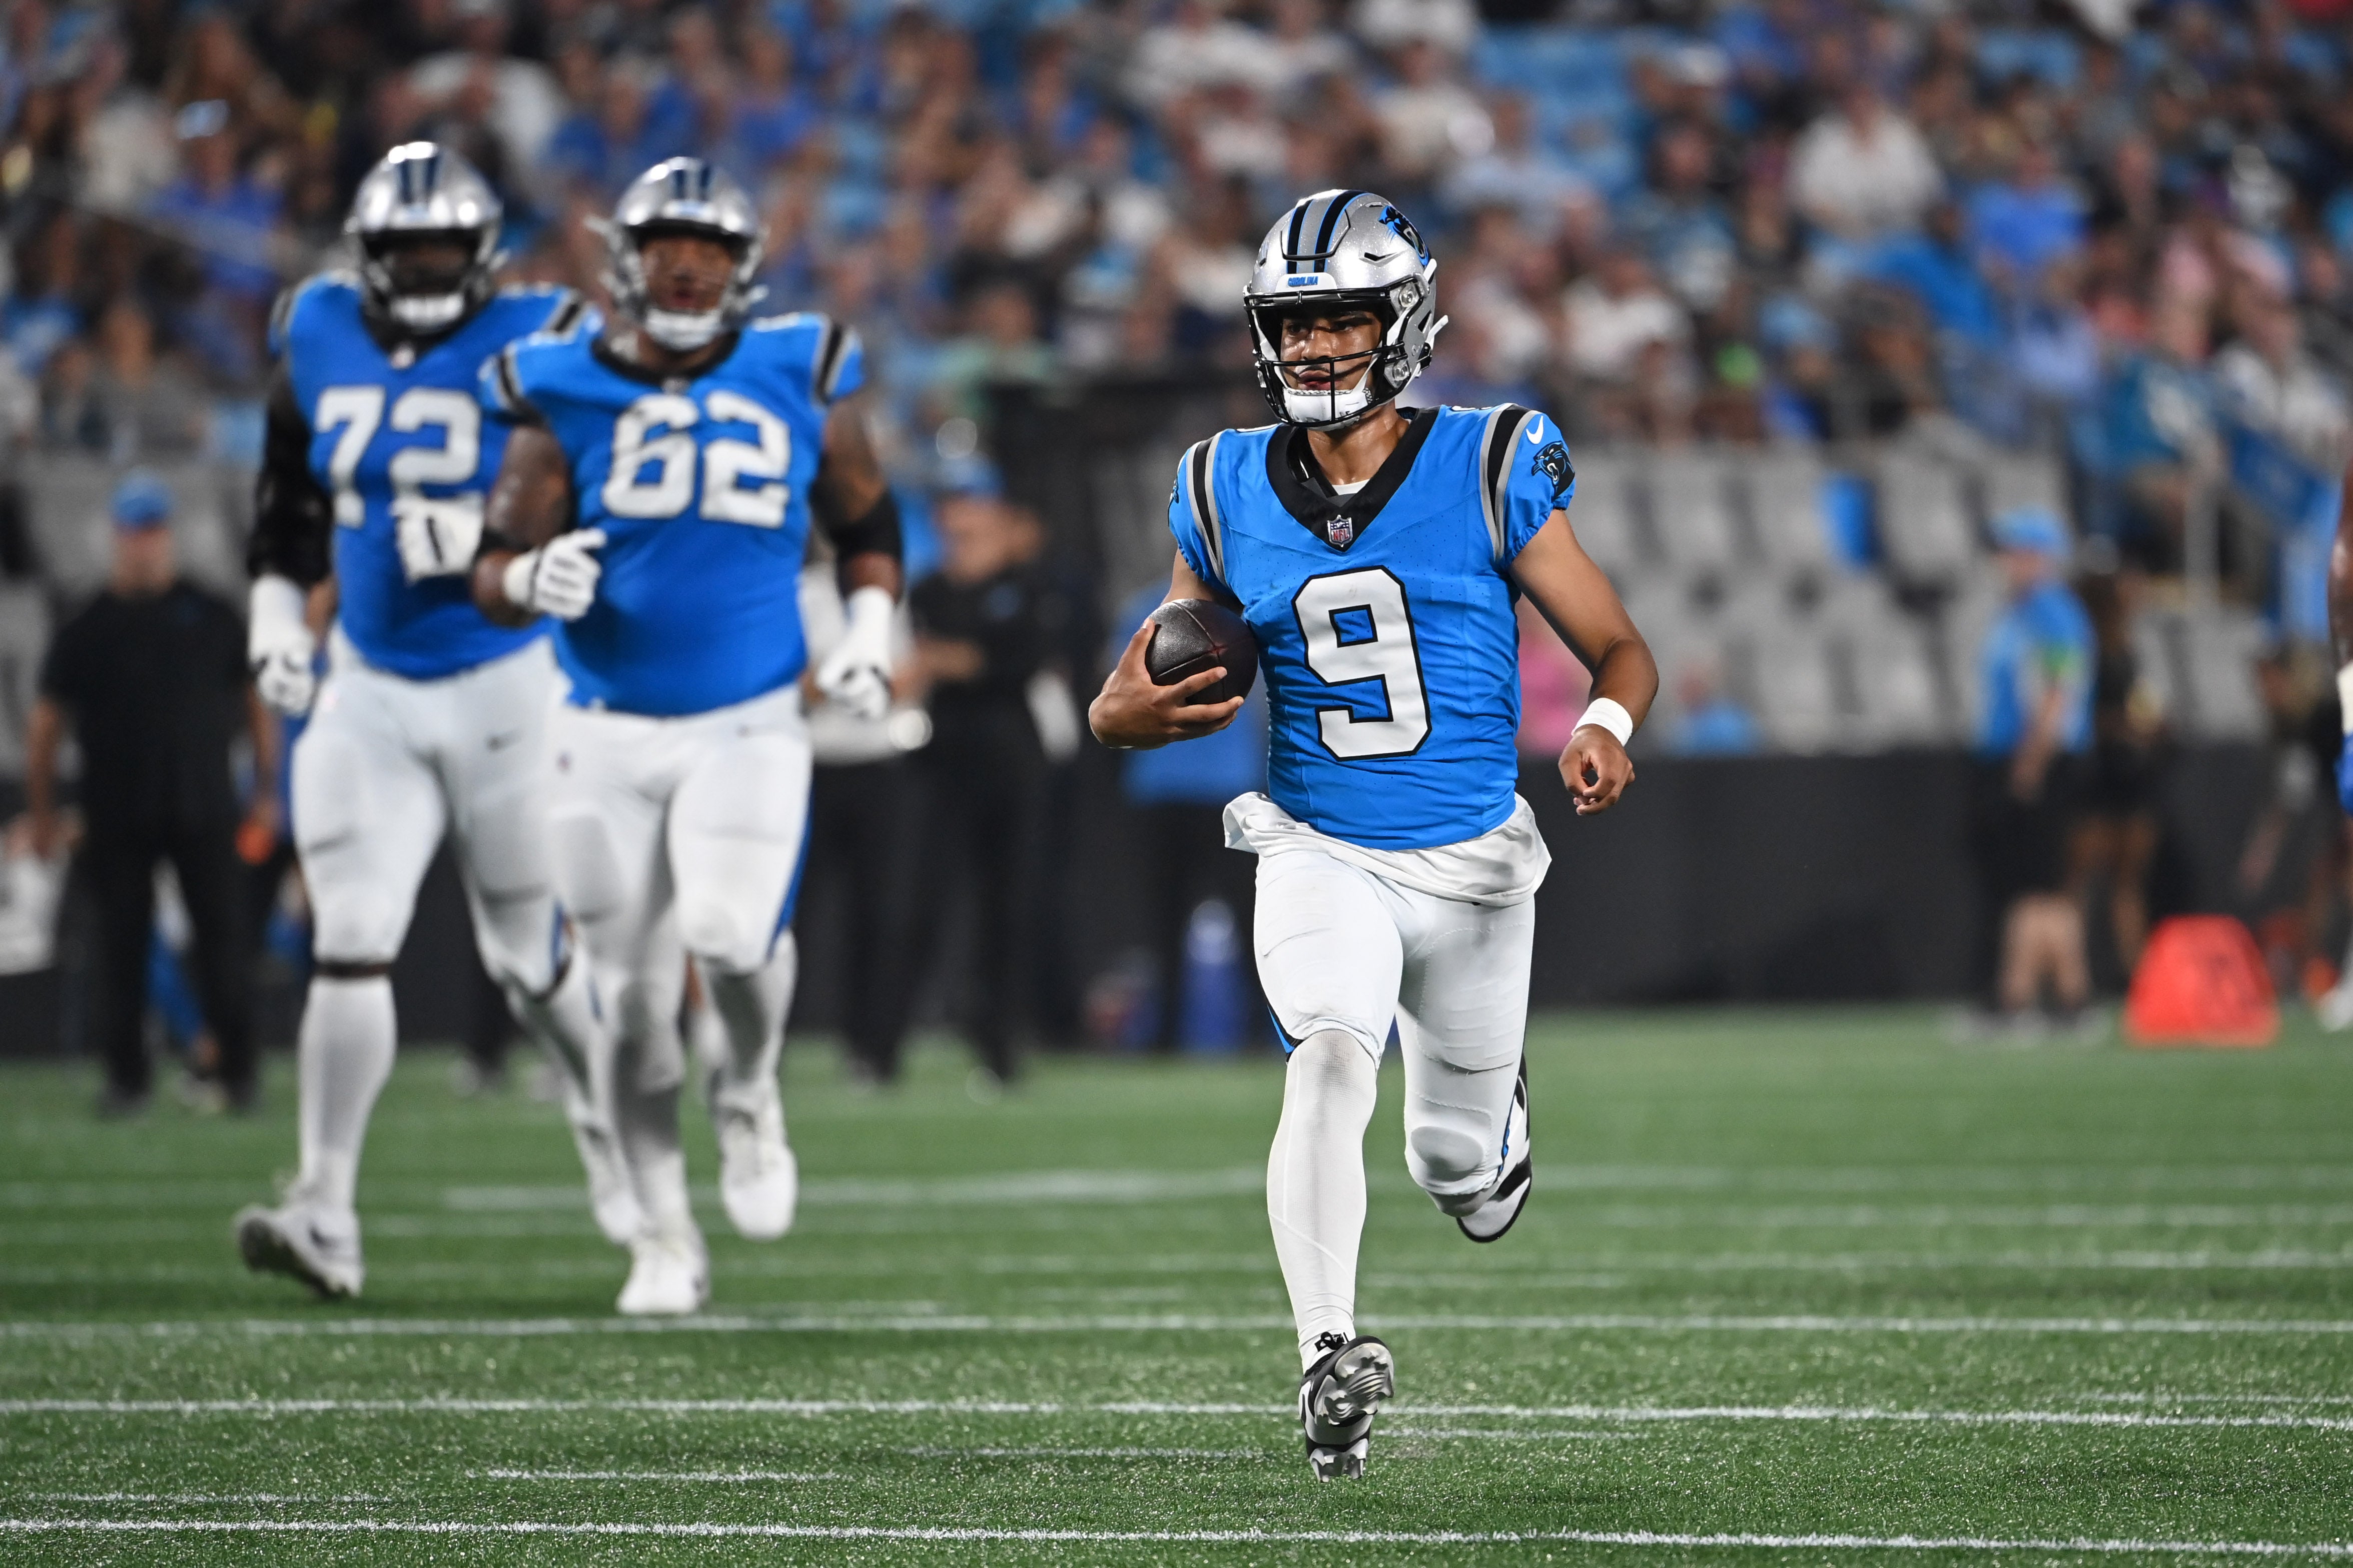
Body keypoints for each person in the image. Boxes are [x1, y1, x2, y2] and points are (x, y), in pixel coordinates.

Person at [1087, 189, 1657, 1480]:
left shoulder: (1490, 458)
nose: (1313, 346)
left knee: (1455, 1173)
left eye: (1340, 319)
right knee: (1327, 1058)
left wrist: (1603, 721)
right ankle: (1323, 1357)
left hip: (1470, 863)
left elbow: (1619, 645)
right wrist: (1117, 713)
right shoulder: (1218, 482)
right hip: (1319, 845)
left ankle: (1488, 1134)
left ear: (1402, 321)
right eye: (1293, 324)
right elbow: (1148, 674)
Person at [470, 157, 903, 1315]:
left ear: (742, 267)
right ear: (624, 260)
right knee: (627, 1000)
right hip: (600, 726)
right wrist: (527, 577)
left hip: (746, 716)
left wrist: (868, 629)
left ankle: (749, 1085)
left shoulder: (799, 364)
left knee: (726, 934)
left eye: (707, 249)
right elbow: (488, 567)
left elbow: (867, 522)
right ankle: (662, 1236)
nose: (684, 266)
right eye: (665, 245)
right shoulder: (559, 381)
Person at [232, 144, 628, 1302]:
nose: (420, 267)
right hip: (368, 684)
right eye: (403, 249)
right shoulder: (315, 328)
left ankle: (608, 1127)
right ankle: (326, 1207)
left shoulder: (545, 333)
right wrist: (274, 618)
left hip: (506, 682)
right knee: (350, 931)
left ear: (481, 254)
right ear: (366, 252)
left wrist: (485, 544)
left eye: (441, 249)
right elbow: (287, 508)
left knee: (526, 956)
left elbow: (608, 496)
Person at [26, 471, 277, 1114]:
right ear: (116, 537)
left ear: (169, 535)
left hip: (203, 804)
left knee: (223, 943)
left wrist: (266, 791)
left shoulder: (213, 613)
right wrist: (43, 811)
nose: (145, 544)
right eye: (135, 531)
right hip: (116, 811)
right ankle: (127, 1079)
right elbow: (46, 725)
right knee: (120, 948)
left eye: (154, 529)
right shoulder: (87, 625)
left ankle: (238, 1072)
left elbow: (256, 705)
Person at [1970, 508, 2096, 1031]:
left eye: (2016, 553)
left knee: (2035, 886)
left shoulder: (2052, 614)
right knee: (2038, 887)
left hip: (2042, 759)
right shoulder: (2022, 612)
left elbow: (2057, 692)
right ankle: (2068, 998)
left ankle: (2017, 998)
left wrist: (2032, 760)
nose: (2006, 563)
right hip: (2025, 756)